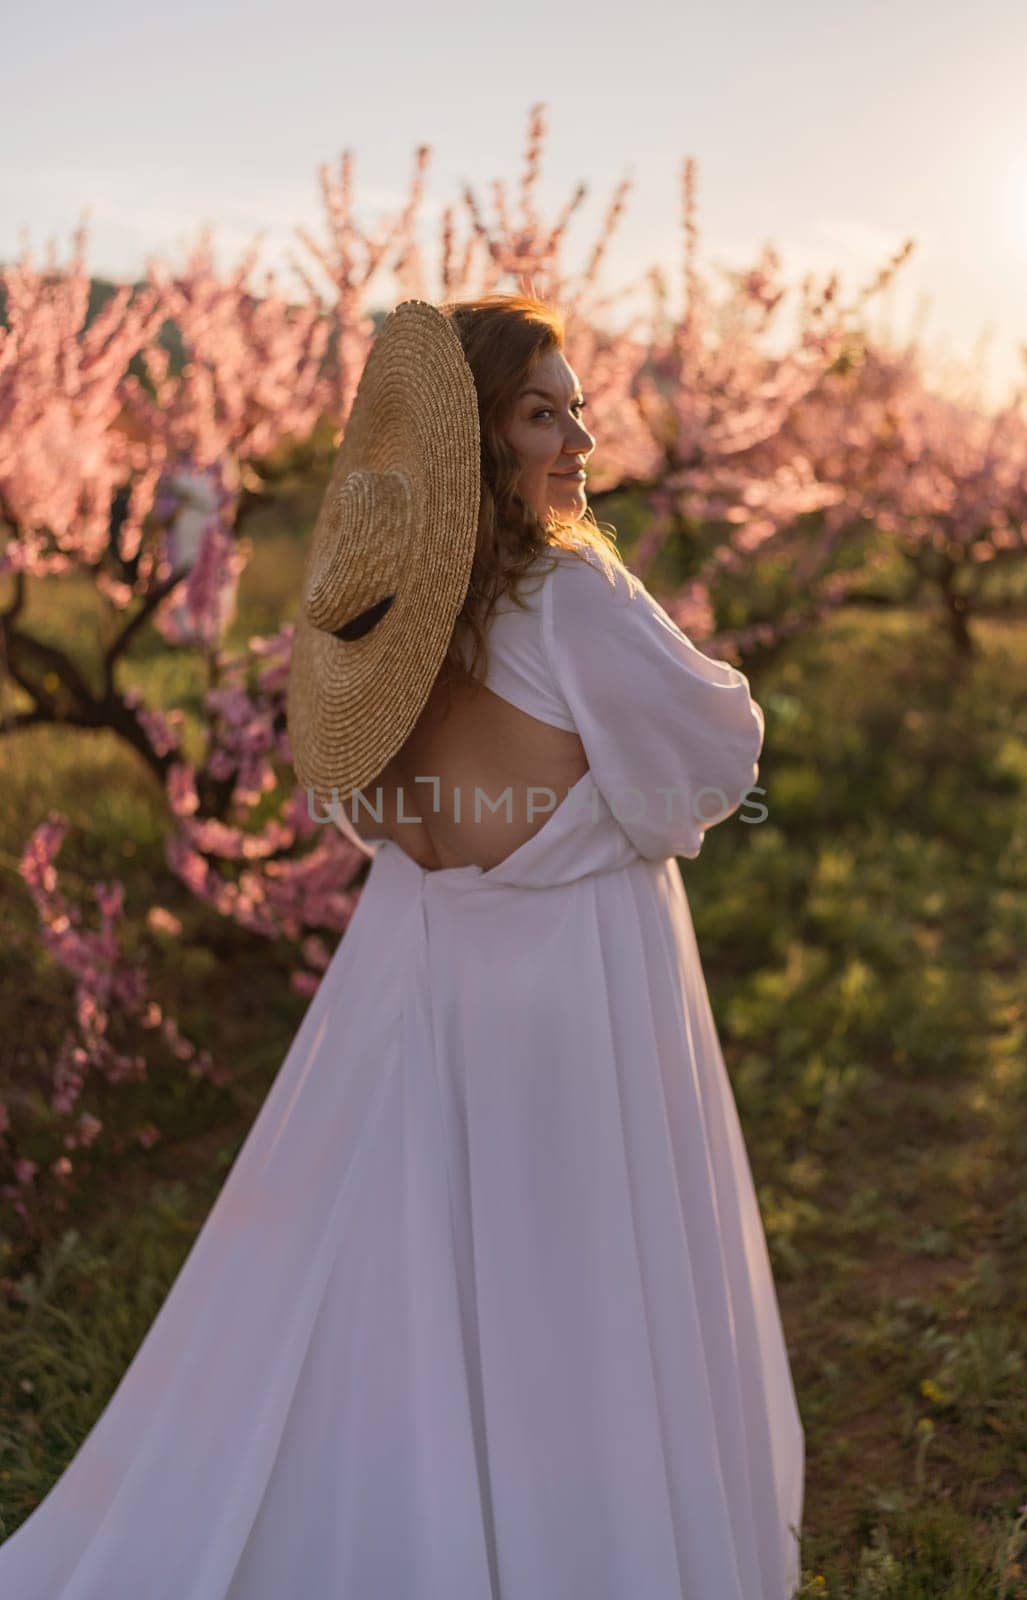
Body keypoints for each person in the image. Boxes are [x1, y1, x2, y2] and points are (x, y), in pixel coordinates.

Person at [0, 296, 804, 1599]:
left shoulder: (379, 612)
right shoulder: (574, 592)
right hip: (563, 978)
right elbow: (720, 748)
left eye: (579, 406)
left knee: (412, 1270)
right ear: (480, 435)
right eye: (542, 409)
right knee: (566, 1284)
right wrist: (617, 797)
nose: (580, 437)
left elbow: (365, 793)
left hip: (415, 969)